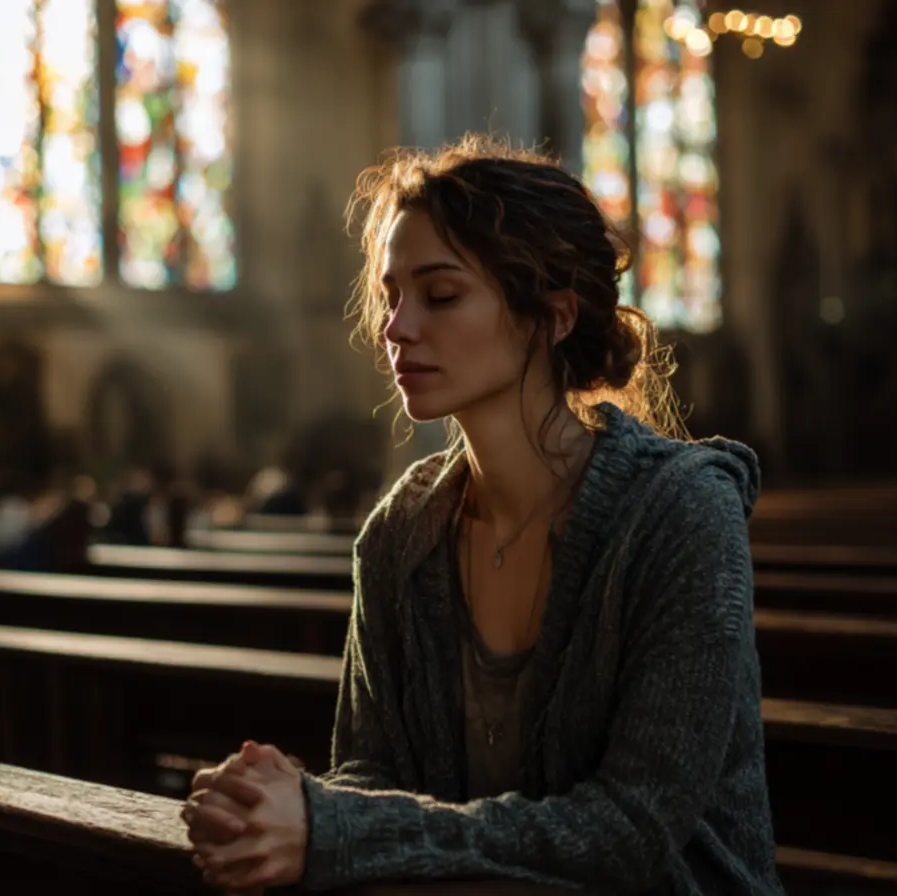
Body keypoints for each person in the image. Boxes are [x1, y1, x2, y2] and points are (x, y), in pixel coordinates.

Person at [181, 135, 782, 894]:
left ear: (553, 316)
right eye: (391, 295)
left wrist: (331, 824)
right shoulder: (402, 533)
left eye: (440, 295)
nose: (397, 328)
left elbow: (631, 830)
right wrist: (286, 804)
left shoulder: (679, 514)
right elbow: (375, 772)